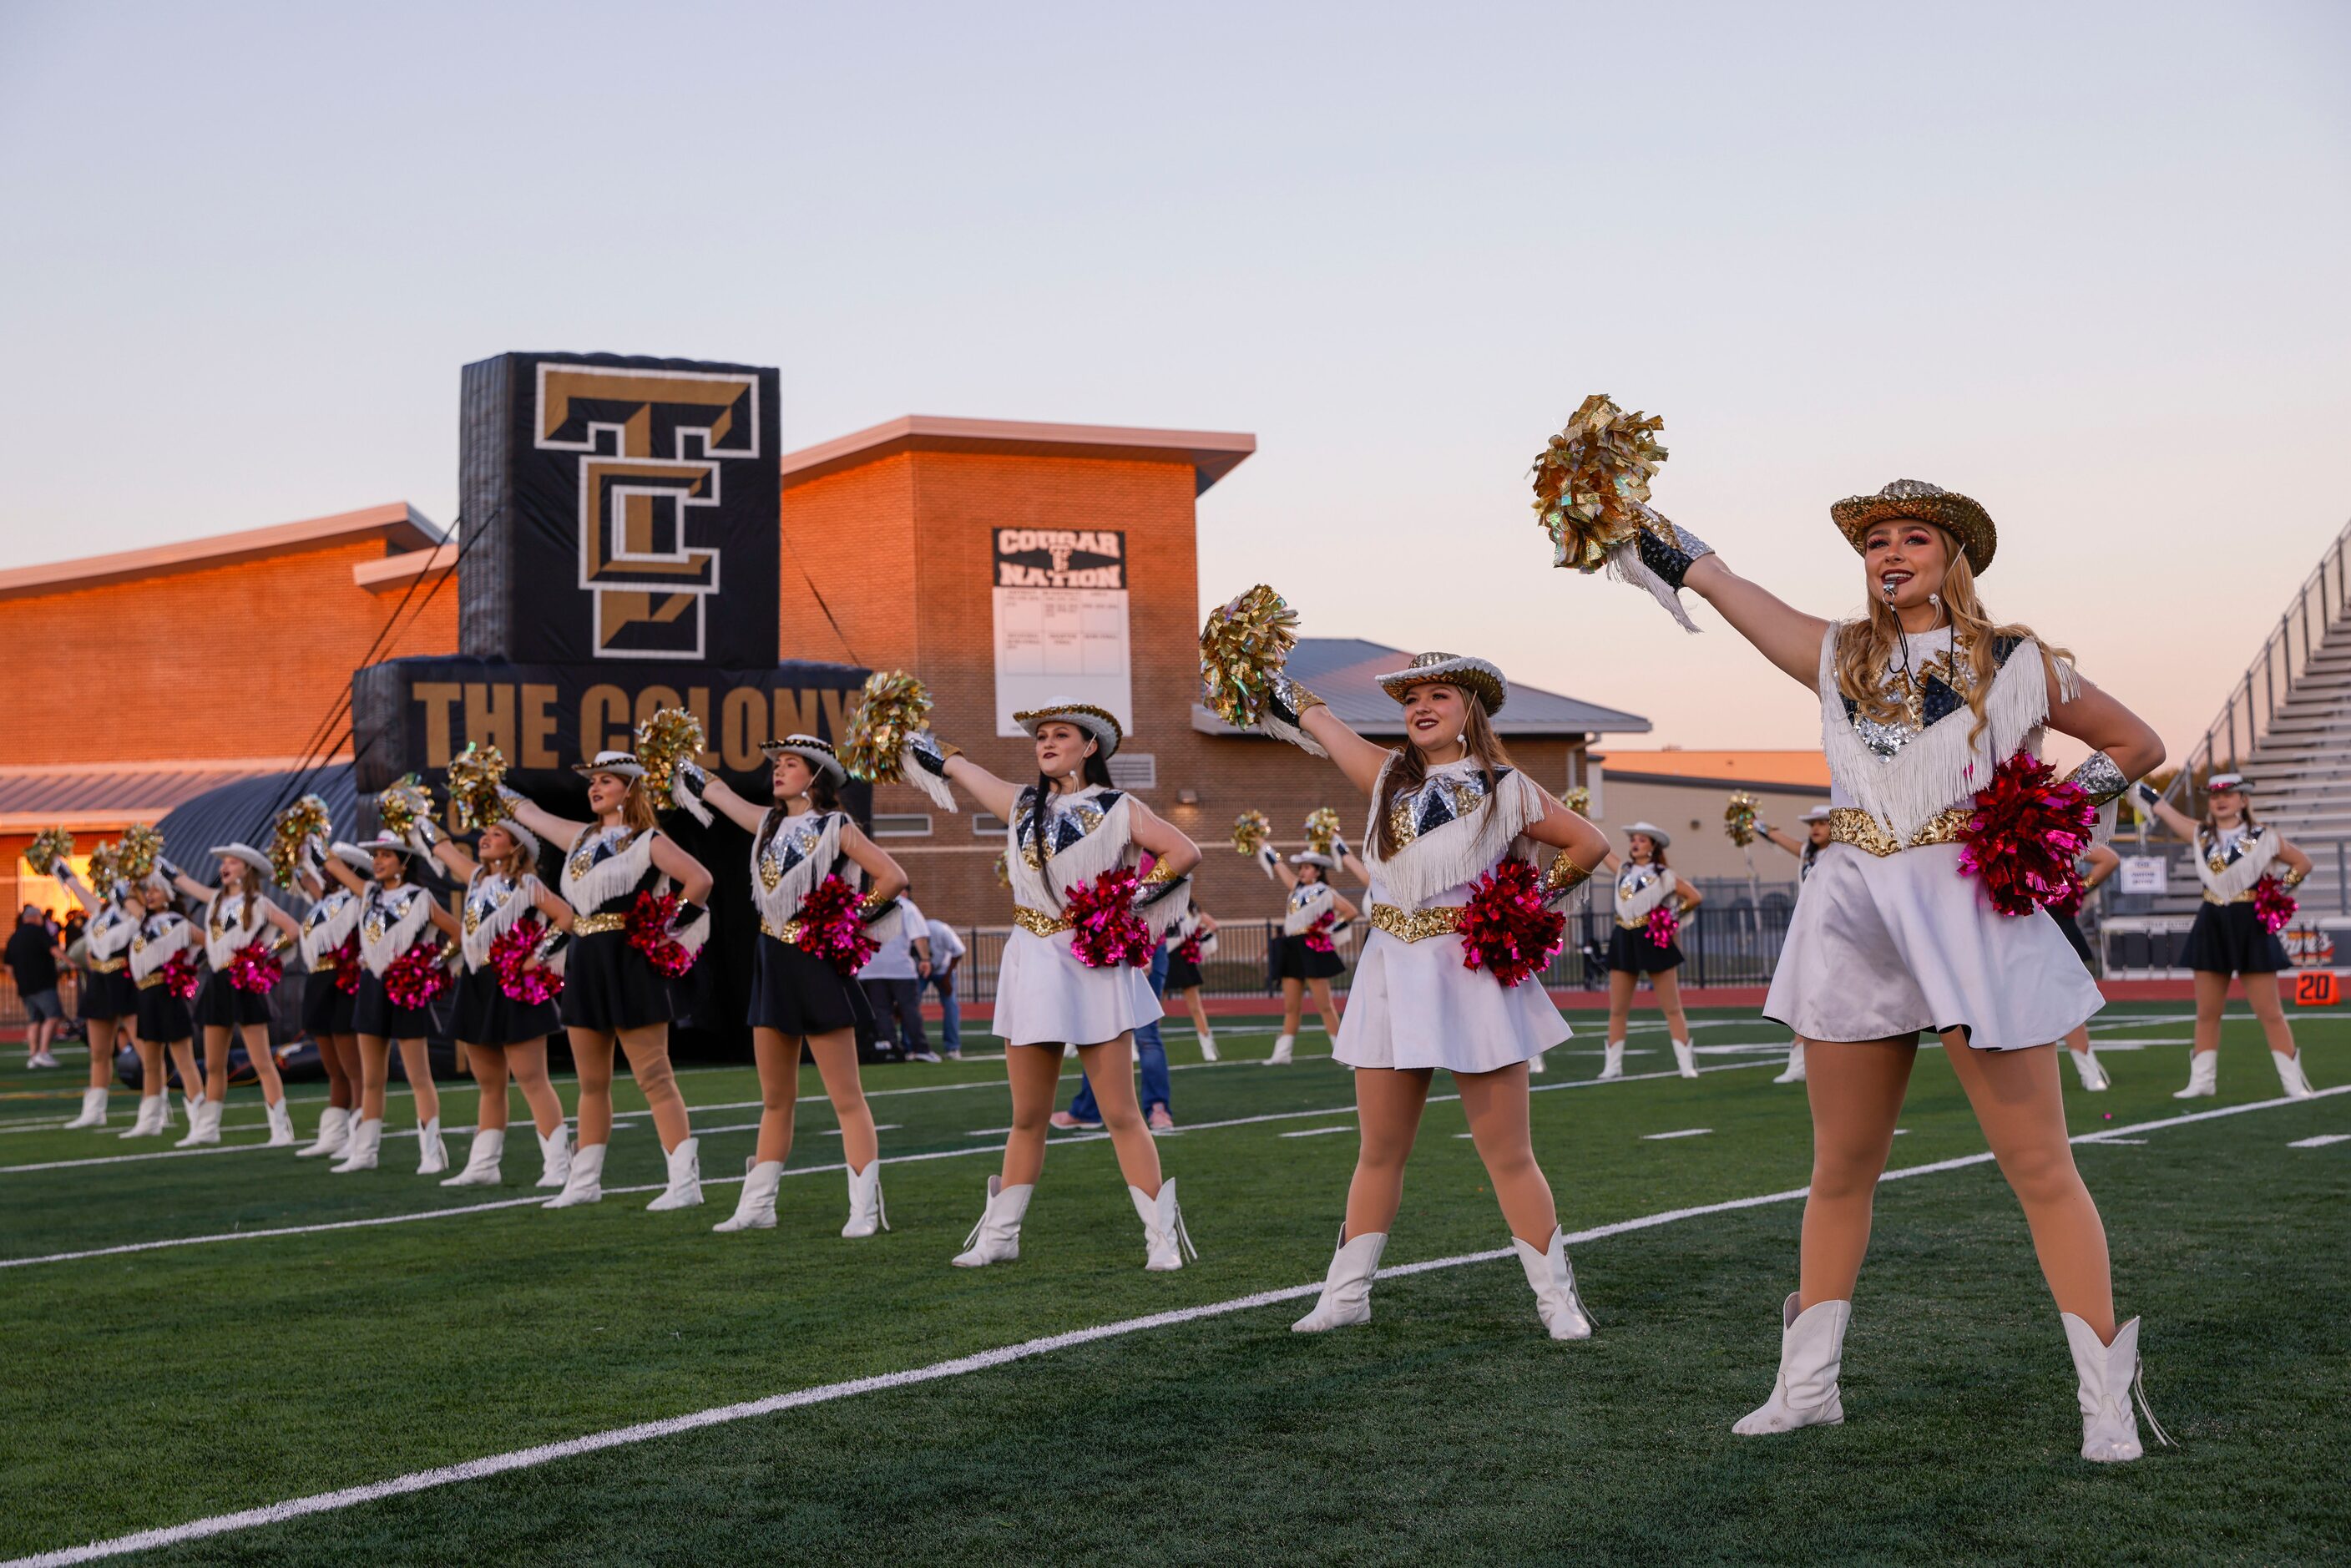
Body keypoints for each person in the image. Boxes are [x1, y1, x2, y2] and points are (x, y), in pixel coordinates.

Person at [1607, 477, 2166, 1459]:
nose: (1889, 554)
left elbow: (2136, 745)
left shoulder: (2014, 659)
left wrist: (2042, 816)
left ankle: (2103, 1402)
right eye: (1873, 542)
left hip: (1966, 909)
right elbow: (1723, 586)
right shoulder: (1837, 654)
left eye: (1913, 538)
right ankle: (1807, 1386)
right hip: (1854, 909)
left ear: (1954, 559)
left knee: (2037, 1164)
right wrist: (1636, 526)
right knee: (1839, 1167)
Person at [1243, 650, 1610, 1338]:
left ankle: (1556, 1298)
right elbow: (1318, 719)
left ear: (1469, 709)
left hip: (1469, 969)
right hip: (1389, 969)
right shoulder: (1385, 776)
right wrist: (1255, 667)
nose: (1421, 706)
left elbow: (1587, 843)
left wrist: (1523, 905)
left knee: (1508, 1152)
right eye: (1411, 697)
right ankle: (1346, 1294)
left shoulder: (1507, 785)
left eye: (1439, 695)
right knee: (1378, 1150)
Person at [892, 695, 1202, 1270]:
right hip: (1032, 958)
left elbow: (1182, 852)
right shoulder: (1020, 805)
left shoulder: (1118, 806)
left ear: (1090, 747)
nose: (1048, 743)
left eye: (1062, 734)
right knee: (1027, 1115)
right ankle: (1001, 1236)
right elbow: (960, 770)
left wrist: (1125, 904)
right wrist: (909, 735)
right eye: (1041, 737)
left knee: (1120, 1112)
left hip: (1093, 961)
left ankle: (1161, 1239)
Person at [682, 734, 904, 1238]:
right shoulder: (768, 822)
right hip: (772, 960)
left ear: (816, 775)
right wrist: (681, 766)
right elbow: (719, 796)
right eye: (776, 764)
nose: (778, 771)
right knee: (775, 1097)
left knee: (846, 1097)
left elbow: (891, 876)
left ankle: (865, 1210)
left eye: (790, 764)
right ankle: (759, 1205)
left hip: (817, 963)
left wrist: (849, 922)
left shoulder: (837, 826)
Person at [501, 751, 715, 1211]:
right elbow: (532, 814)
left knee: (654, 1075)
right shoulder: (579, 836)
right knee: (591, 1081)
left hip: (630, 961)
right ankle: (584, 1181)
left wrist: (666, 934)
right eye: (592, 781)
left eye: (606, 781)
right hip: (586, 960)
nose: (594, 788)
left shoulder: (647, 840)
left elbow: (699, 879)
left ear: (629, 788)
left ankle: (684, 1182)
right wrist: (489, 789)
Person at [2139, 774, 2318, 1100]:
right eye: (2214, 796)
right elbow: (2166, 811)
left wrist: (2275, 892)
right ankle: (2202, 1081)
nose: (2221, 800)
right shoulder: (2200, 834)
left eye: (2230, 794)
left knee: (2270, 1011)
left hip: (2250, 921)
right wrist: (2135, 786)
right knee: (2207, 1011)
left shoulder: (2265, 837)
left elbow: (2302, 863)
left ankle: (2293, 1083)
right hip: (2212, 920)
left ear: (2243, 800)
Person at [426, 817, 577, 1188]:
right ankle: (484, 1164)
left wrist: (537, 957)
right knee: (489, 1082)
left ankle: (558, 1163)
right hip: (479, 982)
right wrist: (414, 815)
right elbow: (441, 847)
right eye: (484, 833)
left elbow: (566, 917)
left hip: (513, 985)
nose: (485, 838)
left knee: (531, 1078)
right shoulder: (478, 878)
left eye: (496, 835)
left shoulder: (527, 884)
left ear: (515, 847)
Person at [319, 837, 460, 1174]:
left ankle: (431, 1153)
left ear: (404, 862)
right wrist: (309, 832)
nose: (378, 861)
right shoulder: (369, 893)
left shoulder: (420, 898)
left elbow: (457, 933)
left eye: (385, 855)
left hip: (405, 986)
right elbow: (332, 863)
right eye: (376, 856)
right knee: (371, 1077)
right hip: (371, 985)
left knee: (418, 1076)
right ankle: (365, 1152)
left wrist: (429, 966)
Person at [164, 844, 304, 1147]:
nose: (224, 867)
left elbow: (293, 929)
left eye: (232, 862)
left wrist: (264, 954)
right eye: (223, 862)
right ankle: (208, 1128)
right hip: (218, 981)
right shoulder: (215, 899)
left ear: (246, 869)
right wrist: (157, 863)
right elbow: (185, 884)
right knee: (214, 1063)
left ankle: (281, 1129)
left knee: (262, 1061)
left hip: (244, 981)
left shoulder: (258, 902)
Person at [1595, 825, 1704, 1080]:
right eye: (1633, 839)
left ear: (1652, 846)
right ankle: (1613, 1066)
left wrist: (1668, 916)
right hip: (1623, 935)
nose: (1635, 843)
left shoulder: (1664, 875)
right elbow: (1599, 850)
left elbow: (1694, 896)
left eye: (1641, 840)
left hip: (1652, 936)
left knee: (1672, 1007)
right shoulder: (1622, 869)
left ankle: (1686, 1065)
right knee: (1617, 1008)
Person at [291, 841, 372, 1159]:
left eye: (333, 865)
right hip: (320, 981)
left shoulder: (361, 897)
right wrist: (299, 844)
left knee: (354, 1067)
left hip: (345, 981)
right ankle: (334, 1132)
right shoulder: (324, 901)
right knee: (333, 1067)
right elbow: (296, 875)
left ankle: (360, 1133)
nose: (325, 870)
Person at [1053, 928, 1176, 1130]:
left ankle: (1158, 1108)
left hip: (1143, 947)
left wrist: (1144, 946)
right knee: (1099, 1033)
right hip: (1107, 948)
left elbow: (1156, 902)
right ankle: (1087, 1110)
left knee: (1146, 1035)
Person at [54, 859, 138, 1130]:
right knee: (99, 1052)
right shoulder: (101, 911)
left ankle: (155, 1108)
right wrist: (64, 871)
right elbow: (79, 890)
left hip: (125, 981)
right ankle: (94, 1110)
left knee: (145, 1050)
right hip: (100, 981)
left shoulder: (134, 911)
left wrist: (127, 888)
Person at [1256, 846, 1357, 1066]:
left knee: (1324, 1004)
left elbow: (1350, 911)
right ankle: (1282, 1054)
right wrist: (1262, 842)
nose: (1302, 871)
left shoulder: (1325, 892)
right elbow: (1278, 865)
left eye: (1307, 867)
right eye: (1301, 867)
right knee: (1291, 1006)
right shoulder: (1295, 888)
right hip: (1291, 946)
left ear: (1318, 871)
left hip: (1310, 947)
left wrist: (1328, 930)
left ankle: (1343, 1054)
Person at [1755, 806, 1833, 1084]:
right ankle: (1798, 1063)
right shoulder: (1807, 853)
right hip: (1809, 931)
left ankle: (1807, 1064)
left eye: (1823, 823)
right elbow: (1782, 839)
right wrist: (1755, 824)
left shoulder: (1841, 853)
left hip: (1834, 931)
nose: (1816, 828)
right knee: (1805, 996)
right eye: (1813, 823)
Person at [125, 876, 204, 1134]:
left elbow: (209, 943)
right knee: (150, 1061)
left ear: (169, 894)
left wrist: (189, 967)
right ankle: (150, 1120)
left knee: (184, 1060)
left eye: (157, 889)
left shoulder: (179, 923)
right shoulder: (143, 923)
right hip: (146, 994)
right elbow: (127, 896)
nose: (150, 894)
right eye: (148, 890)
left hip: (168, 993)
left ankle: (200, 1121)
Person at [2050, 842, 2123, 1092]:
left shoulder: (2052, 830)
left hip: (2054, 924)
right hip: (2016, 925)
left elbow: (2109, 859)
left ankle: (2089, 1070)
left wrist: (2076, 890)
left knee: (2068, 1005)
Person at [857, 889, 933, 1061]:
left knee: (881, 1010)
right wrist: (925, 959)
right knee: (909, 1008)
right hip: (900, 968)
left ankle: (891, 1047)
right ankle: (920, 1048)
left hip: (871, 968)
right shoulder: (905, 906)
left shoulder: (867, 906)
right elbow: (919, 936)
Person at [8, 904, 66, 1070]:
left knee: (35, 1020)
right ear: (35, 917)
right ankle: (43, 1052)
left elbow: (9, 967)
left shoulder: (14, 936)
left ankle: (33, 1056)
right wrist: (70, 963)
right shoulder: (38, 932)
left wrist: (18, 980)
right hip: (43, 983)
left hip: (25, 986)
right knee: (53, 1015)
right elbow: (54, 949)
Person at [1164, 908, 1220, 1060]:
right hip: (1165, 955)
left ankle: (1207, 1047)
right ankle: (1144, 1044)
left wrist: (1197, 939)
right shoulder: (1168, 905)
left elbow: (1213, 925)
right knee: (1157, 1006)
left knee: (1195, 1006)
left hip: (1181, 956)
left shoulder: (1189, 909)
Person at [925, 913, 968, 1060]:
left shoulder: (941, 930)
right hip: (922, 970)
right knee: (909, 1004)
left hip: (944, 969)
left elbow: (959, 951)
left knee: (951, 1005)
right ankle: (911, 1046)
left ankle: (953, 1047)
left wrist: (947, 977)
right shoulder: (911, 934)